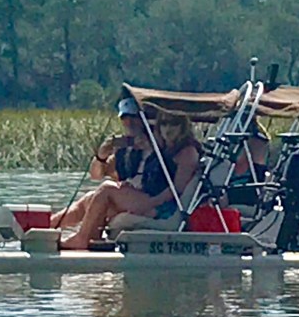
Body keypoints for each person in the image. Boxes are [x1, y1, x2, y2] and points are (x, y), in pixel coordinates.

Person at [60, 111, 201, 250]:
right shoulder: (165, 148)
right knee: (91, 198)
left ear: (183, 126)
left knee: (106, 189)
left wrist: (153, 206)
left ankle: (82, 239)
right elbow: (98, 175)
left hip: (163, 206)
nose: (168, 128)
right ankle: (51, 226)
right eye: (164, 123)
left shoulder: (187, 152)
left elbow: (177, 191)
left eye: (174, 123)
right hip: (151, 198)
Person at [50, 97, 151, 228]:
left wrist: (145, 144)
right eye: (124, 118)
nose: (129, 122)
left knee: (104, 191)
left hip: (144, 198)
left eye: (133, 117)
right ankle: (47, 225)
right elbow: (96, 175)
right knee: (90, 198)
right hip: (127, 196)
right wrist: (101, 156)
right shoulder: (123, 149)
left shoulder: (155, 143)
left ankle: (81, 236)